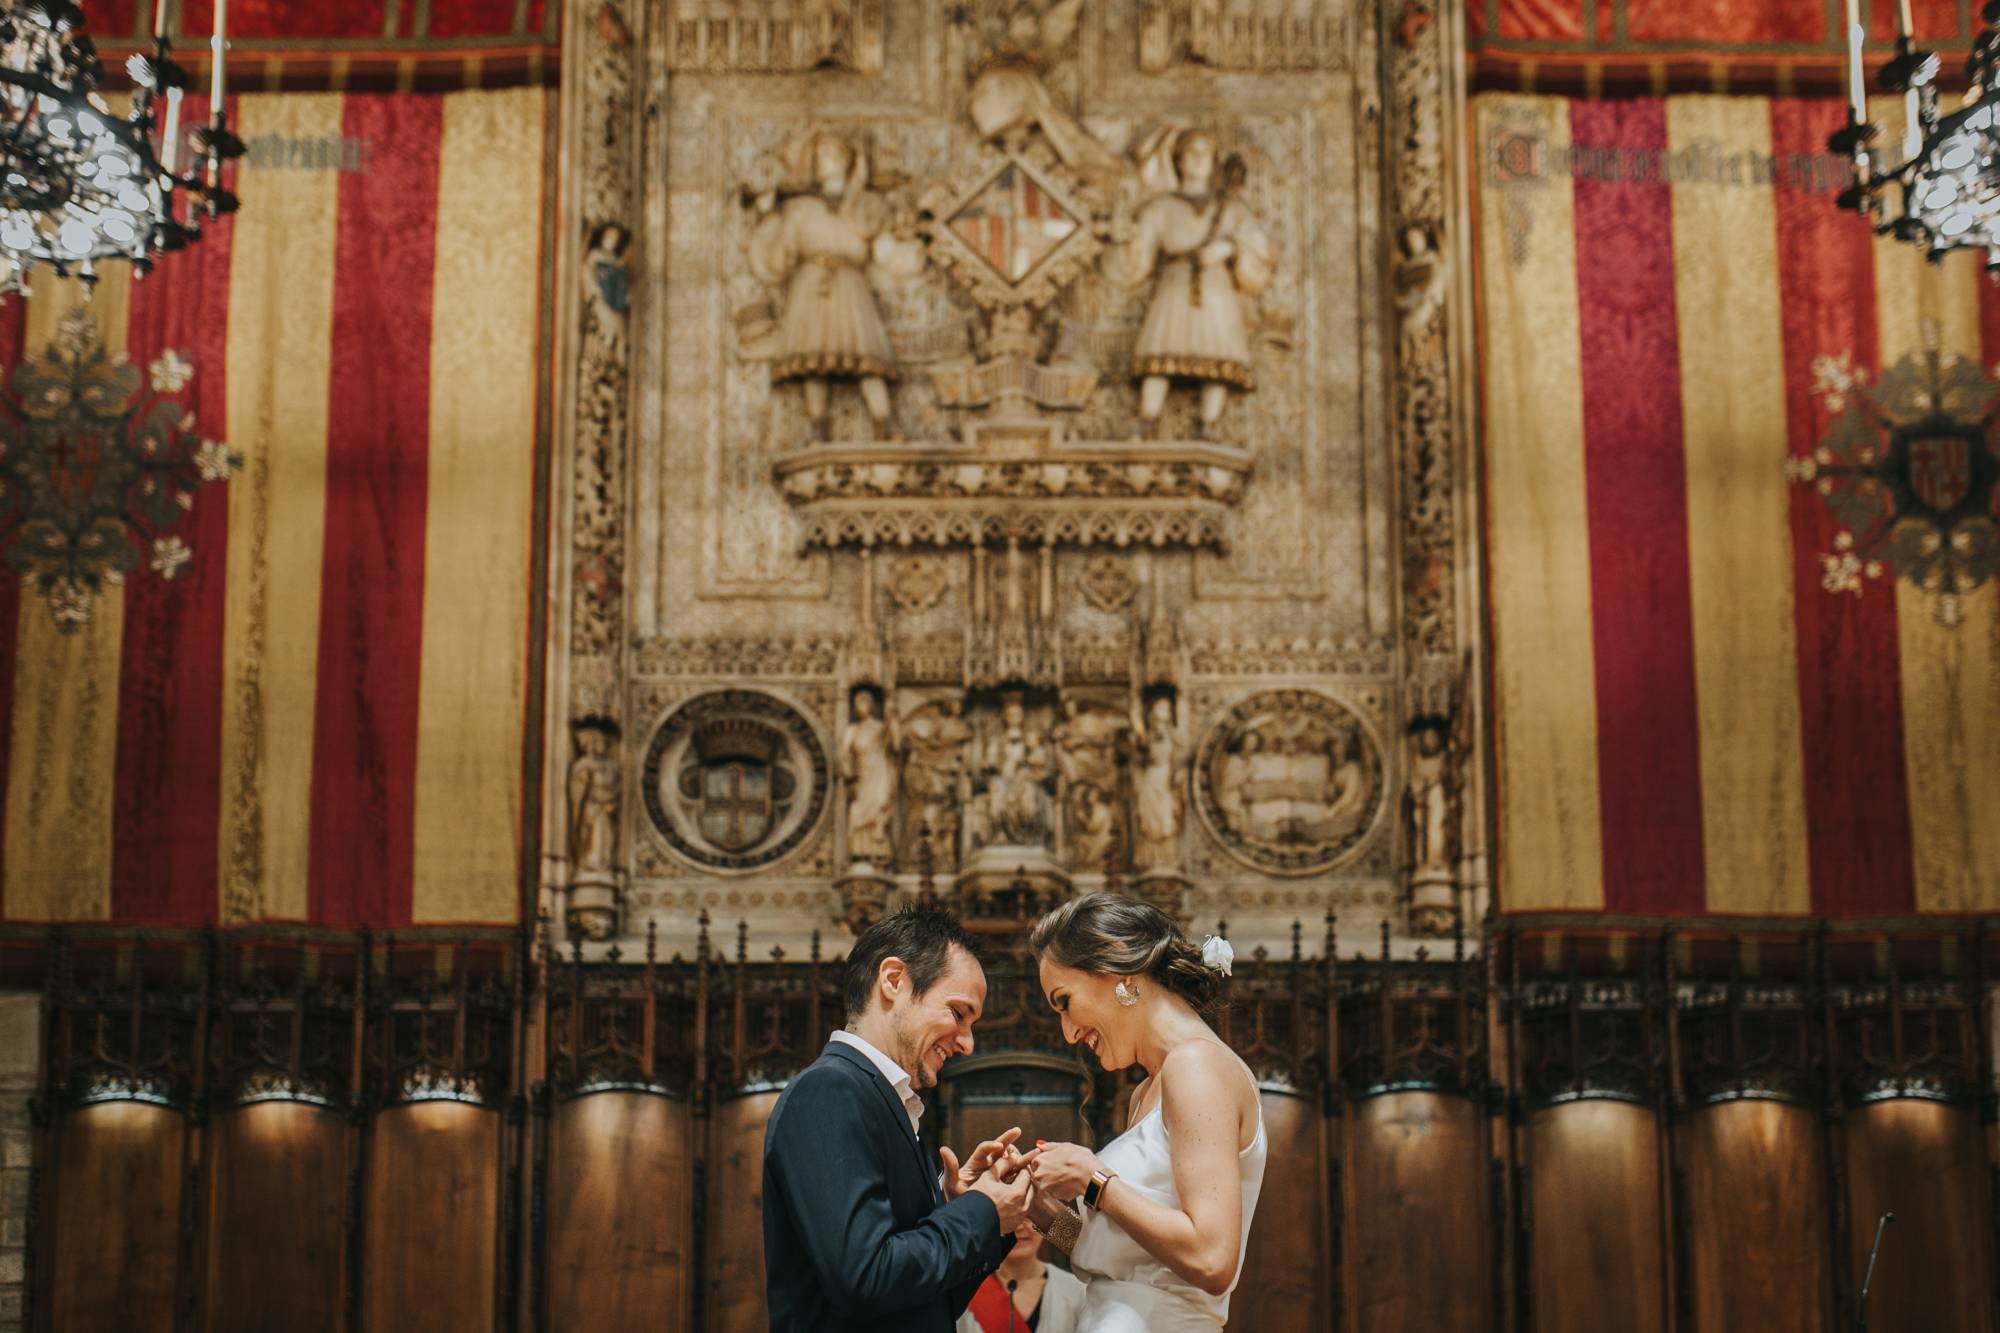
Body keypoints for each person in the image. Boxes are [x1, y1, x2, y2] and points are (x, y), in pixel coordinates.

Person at [764, 906, 1037, 1331]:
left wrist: (967, 1208)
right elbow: (865, 1277)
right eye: (958, 1013)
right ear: (894, 980)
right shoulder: (829, 1090)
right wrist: (980, 1210)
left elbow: (927, 1304)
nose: (968, 1043)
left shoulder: (881, 1098)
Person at [1022, 893, 1264, 1332]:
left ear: (1119, 968)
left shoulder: (1196, 1065)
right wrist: (1041, 1211)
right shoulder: (1148, 1091)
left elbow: (1212, 1260)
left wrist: (1093, 1179)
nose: (1069, 1032)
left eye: (1065, 1002)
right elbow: (1128, 1259)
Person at [956, 1218, 1085, 1333]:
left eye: (1029, 1216)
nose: (1019, 1227)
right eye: (1009, 1216)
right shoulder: (966, 1291)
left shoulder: (1077, 1290)